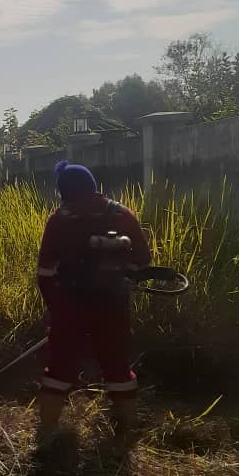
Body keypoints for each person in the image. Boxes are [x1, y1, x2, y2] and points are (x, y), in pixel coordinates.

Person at [36, 161, 150, 436]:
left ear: (63, 190)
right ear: (92, 185)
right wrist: (119, 285)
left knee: (60, 369)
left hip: (70, 306)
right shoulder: (123, 214)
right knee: (117, 367)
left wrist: (57, 308)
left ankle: (47, 436)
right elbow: (143, 262)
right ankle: (126, 433)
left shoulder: (60, 218)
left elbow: (45, 272)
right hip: (113, 306)